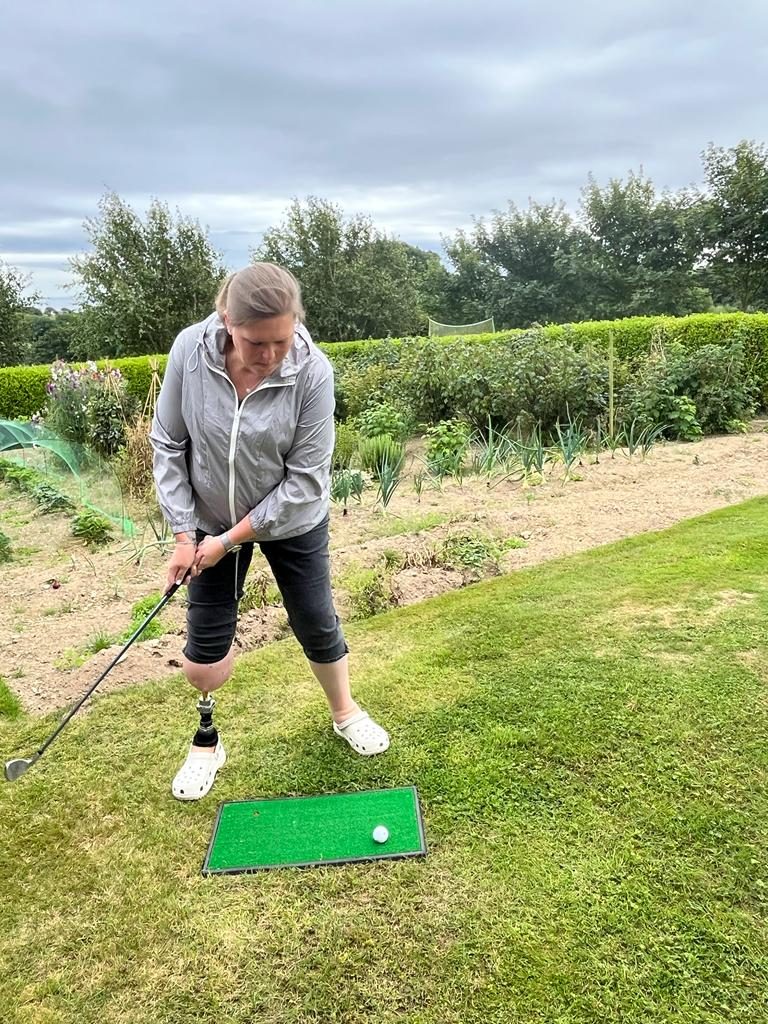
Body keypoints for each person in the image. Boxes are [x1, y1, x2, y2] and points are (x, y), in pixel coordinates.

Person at [150, 263, 390, 801]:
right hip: (209, 518)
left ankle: (345, 712)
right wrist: (186, 536)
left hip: (292, 520)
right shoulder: (190, 352)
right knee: (202, 659)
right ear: (226, 320)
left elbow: (306, 481)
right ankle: (207, 741)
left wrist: (227, 541)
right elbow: (168, 442)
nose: (269, 355)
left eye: (281, 340)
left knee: (316, 620)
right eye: (256, 342)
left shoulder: (312, 371)